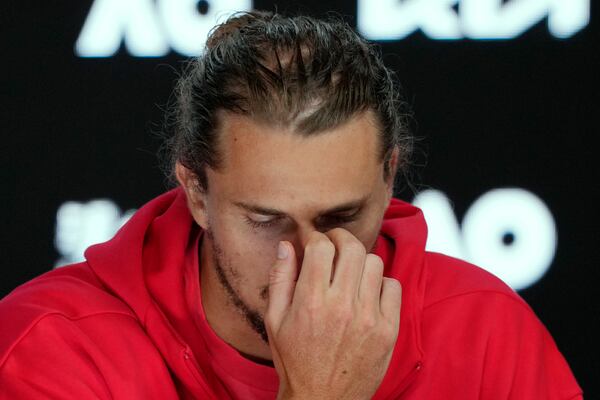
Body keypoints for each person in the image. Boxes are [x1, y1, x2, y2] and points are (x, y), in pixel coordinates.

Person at [0, 11, 582, 400]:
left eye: (341, 218)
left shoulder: (485, 332)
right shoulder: (51, 348)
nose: (306, 259)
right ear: (196, 192)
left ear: (389, 180)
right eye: (265, 219)